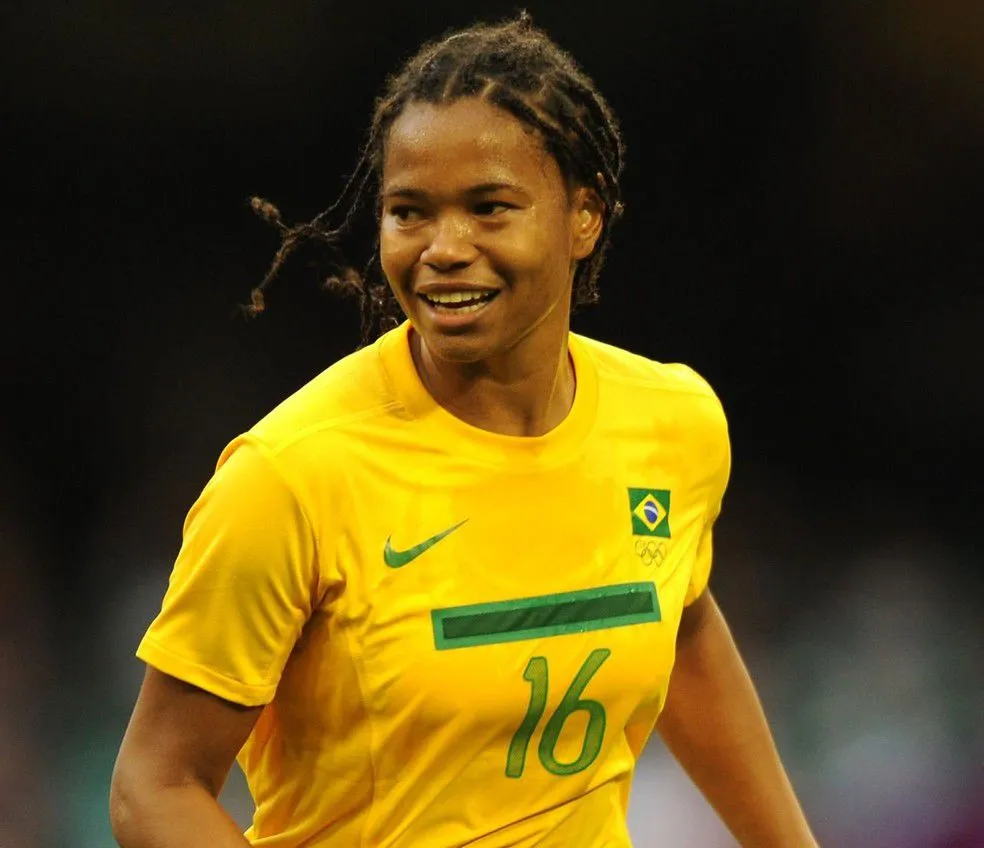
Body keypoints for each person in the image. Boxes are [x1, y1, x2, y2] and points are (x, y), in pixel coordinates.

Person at [110, 13, 819, 848]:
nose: (445, 248)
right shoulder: (290, 477)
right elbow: (154, 787)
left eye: (489, 208)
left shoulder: (673, 422)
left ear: (583, 216)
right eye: (410, 212)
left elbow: (682, 619)